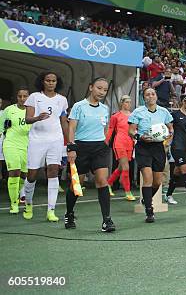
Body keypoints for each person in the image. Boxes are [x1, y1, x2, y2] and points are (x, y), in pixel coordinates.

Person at [64, 78, 115, 232]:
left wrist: (104, 143)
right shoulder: (79, 106)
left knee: (101, 181)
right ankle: (69, 213)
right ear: (91, 87)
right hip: (80, 147)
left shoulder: (104, 108)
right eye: (99, 88)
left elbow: (105, 128)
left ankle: (107, 220)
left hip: (99, 148)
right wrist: (71, 147)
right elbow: (71, 128)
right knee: (76, 186)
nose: (102, 92)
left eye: (105, 90)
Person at [23, 71, 69, 222]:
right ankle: (28, 204)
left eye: (53, 80)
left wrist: (69, 142)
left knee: (53, 171)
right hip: (37, 139)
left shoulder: (62, 100)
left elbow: (64, 122)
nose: (50, 83)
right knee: (32, 174)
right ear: (42, 82)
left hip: (55, 139)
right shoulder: (34, 97)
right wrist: (37, 118)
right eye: (48, 80)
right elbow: (27, 119)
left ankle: (51, 210)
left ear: (57, 82)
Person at [128, 87, 173, 223]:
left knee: (157, 182)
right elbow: (131, 131)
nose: (150, 96)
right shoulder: (138, 112)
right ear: (144, 97)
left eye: (153, 94)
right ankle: (149, 211)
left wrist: (168, 137)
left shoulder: (164, 112)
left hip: (158, 147)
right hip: (143, 147)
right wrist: (139, 136)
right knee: (147, 178)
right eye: (147, 94)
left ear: (156, 96)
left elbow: (170, 128)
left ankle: (145, 199)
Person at [1, 88, 31, 214]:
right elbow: (2, 126)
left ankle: (18, 195)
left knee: (23, 175)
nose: (22, 99)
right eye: (20, 96)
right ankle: (14, 203)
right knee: (14, 172)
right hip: (10, 144)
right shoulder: (9, 110)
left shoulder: (32, 111)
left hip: (27, 146)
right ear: (16, 97)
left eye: (25, 96)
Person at [105, 95, 136, 201]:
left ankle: (108, 184)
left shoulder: (133, 115)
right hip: (119, 143)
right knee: (126, 167)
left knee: (121, 167)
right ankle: (128, 192)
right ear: (121, 103)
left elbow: (136, 129)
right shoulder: (116, 116)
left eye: (130, 102)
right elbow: (110, 129)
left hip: (130, 143)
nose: (128, 104)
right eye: (126, 102)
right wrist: (106, 141)